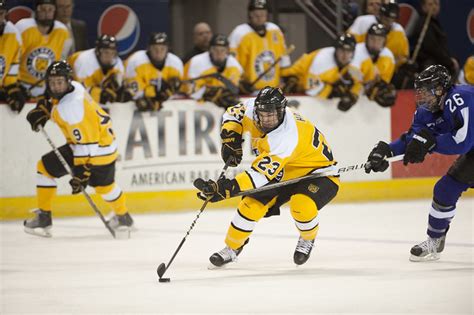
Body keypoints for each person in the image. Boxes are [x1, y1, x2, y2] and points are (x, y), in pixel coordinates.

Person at [193, 86, 340, 267]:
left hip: (317, 172)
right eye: (263, 114)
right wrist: (230, 138)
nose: (267, 119)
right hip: (283, 170)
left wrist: (226, 189)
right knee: (250, 205)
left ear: (282, 110)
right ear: (256, 109)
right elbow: (232, 115)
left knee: (302, 205)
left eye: (272, 114)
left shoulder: (286, 136)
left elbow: (259, 176)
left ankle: (307, 238)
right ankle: (232, 248)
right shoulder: (252, 108)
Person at [365, 65, 473, 261]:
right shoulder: (425, 112)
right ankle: (435, 239)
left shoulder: (463, 98)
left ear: (440, 89)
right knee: (444, 190)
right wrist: (386, 152)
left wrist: (429, 144)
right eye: (420, 92)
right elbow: (413, 139)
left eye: (426, 91)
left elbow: (463, 142)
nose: (422, 98)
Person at [24, 61, 134, 237]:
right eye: (52, 82)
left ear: (67, 80)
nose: (56, 86)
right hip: (106, 146)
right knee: (105, 187)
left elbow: (86, 143)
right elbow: (58, 105)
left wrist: (82, 172)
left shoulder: (71, 107)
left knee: (44, 168)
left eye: (59, 82)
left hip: (90, 148)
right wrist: (45, 108)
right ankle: (124, 217)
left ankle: (44, 218)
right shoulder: (75, 87)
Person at [281, 33, 362, 112]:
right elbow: (310, 87)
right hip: (291, 80)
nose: (345, 55)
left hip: (310, 84)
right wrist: (331, 92)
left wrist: (352, 96)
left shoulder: (354, 63)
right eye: (342, 51)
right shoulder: (322, 60)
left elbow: (359, 82)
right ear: (336, 49)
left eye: (349, 51)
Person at [229, 0, 290, 94]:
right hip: (250, 91)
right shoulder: (239, 33)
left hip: (274, 91)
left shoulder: (275, 30)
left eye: (262, 14)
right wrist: (239, 82)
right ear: (249, 15)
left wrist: (286, 78)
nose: (259, 18)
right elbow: (230, 62)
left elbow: (284, 58)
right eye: (256, 15)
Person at [15, 0, 70, 98]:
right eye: (43, 9)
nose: (46, 13)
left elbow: (62, 61)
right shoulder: (23, 27)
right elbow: (14, 58)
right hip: (22, 84)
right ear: (36, 10)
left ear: (55, 11)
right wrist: (15, 85)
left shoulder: (62, 31)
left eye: (50, 9)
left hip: (49, 86)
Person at [124, 32, 183, 111]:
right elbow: (134, 91)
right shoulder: (136, 61)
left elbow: (180, 93)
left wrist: (169, 93)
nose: (158, 52)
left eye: (162, 49)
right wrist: (151, 94)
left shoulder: (175, 63)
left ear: (167, 50)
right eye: (155, 48)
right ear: (149, 49)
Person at [184, 34, 242, 108]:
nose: (219, 53)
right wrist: (207, 92)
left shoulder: (234, 66)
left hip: (221, 109)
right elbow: (189, 90)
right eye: (215, 50)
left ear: (227, 51)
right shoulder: (197, 62)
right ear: (210, 50)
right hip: (193, 106)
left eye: (222, 50)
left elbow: (234, 91)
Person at [348, 0, 408, 67]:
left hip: (383, 68)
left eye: (392, 19)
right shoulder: (363, 21)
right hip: (358, 63)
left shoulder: (398, 30)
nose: (388, 22)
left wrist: (388, 66)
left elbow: (402, 57)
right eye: (386, 18)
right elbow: (348, 43)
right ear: (380, 14)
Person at [68, 34, 124, 106]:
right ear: (98, 51)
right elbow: (80, 91)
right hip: (71, 86)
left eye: (113, 53)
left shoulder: (117, 62)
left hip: (92, 85)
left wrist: (119, 89)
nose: (110, 57)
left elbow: (119, 85)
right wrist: (100, 94)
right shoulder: (84, 61)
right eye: (106, 52)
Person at [410, 0, 458, 78]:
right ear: (423, 7)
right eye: (430, 4)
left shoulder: (434, 23)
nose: (434, 7)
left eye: (436, 4)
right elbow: (432, 48)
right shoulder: (424, 23)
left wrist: (450, 60)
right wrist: (450, 62)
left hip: (440, 64)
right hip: (430, 67)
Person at [0, 0, 26, 113]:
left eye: (0, 13)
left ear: (5, 14)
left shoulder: (13, 33)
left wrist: (11, 88)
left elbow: (13, 65)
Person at [363, 23, 397, 107]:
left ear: (384, 41)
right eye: (372, 39)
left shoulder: (388, 57)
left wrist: (377, 90)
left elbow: (382, 82)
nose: (375, 43)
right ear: (367, 38)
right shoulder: (356, 52)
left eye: (379, 40)